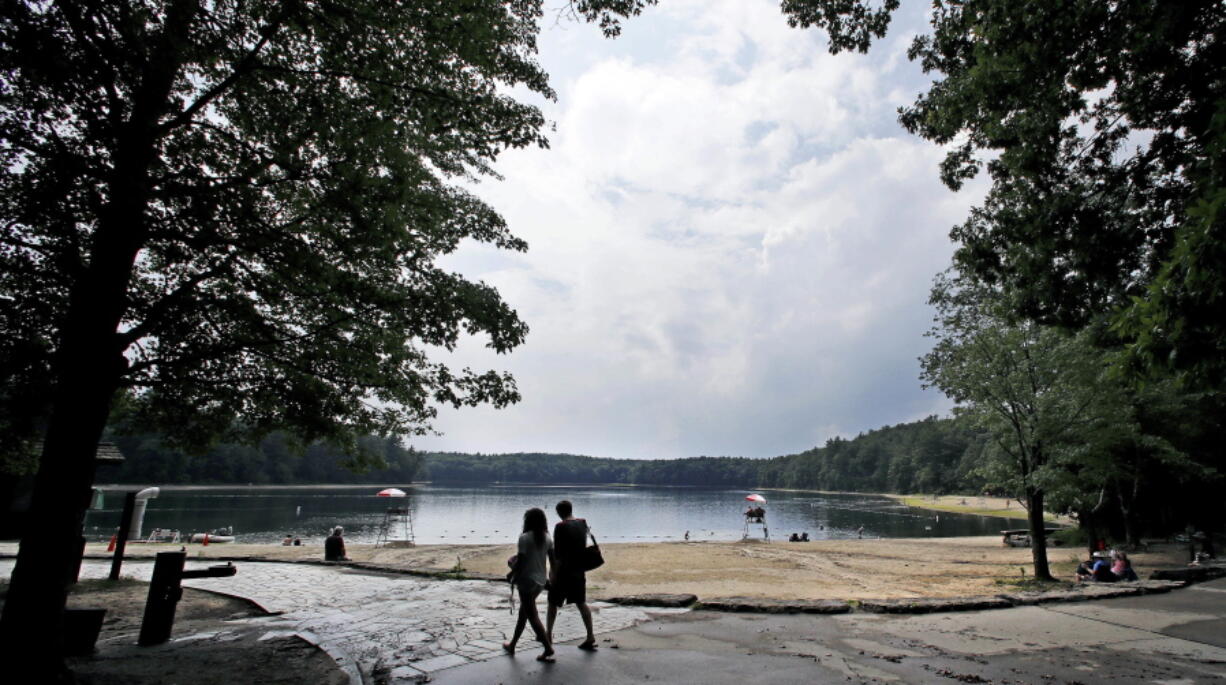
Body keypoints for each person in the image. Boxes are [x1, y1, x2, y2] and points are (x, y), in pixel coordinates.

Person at [503, 508, 555, 662]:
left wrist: (511, 574)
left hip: (526, 580)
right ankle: (512, 645)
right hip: (540, 581)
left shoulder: (524, 538)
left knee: (532, 615)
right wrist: (551, 579)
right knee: (524, 613)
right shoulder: (548, 538)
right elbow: (553, 563)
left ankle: (547, 647)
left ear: (527, 521)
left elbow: (522, 561)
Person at [547, 500, 596, 651]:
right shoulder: (582, 522)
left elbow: (558, 553)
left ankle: (548, 636)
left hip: (564, 571)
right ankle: (590, 635)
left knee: (553, 603)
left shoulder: (560, 527)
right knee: (581, 602)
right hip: (578, 570)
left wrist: (553, 572)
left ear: (559, 512)